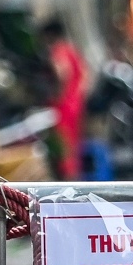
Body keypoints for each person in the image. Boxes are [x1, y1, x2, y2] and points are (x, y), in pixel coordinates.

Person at [40, 18, 87, 181]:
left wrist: (57, 94)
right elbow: (84, 77)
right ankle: (73, 181)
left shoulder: (58, 50)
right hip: (75, 104)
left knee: (64, 147)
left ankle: (68, 183)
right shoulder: (72, 49)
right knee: (73, 147)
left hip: (63, 106)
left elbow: (62, 73)